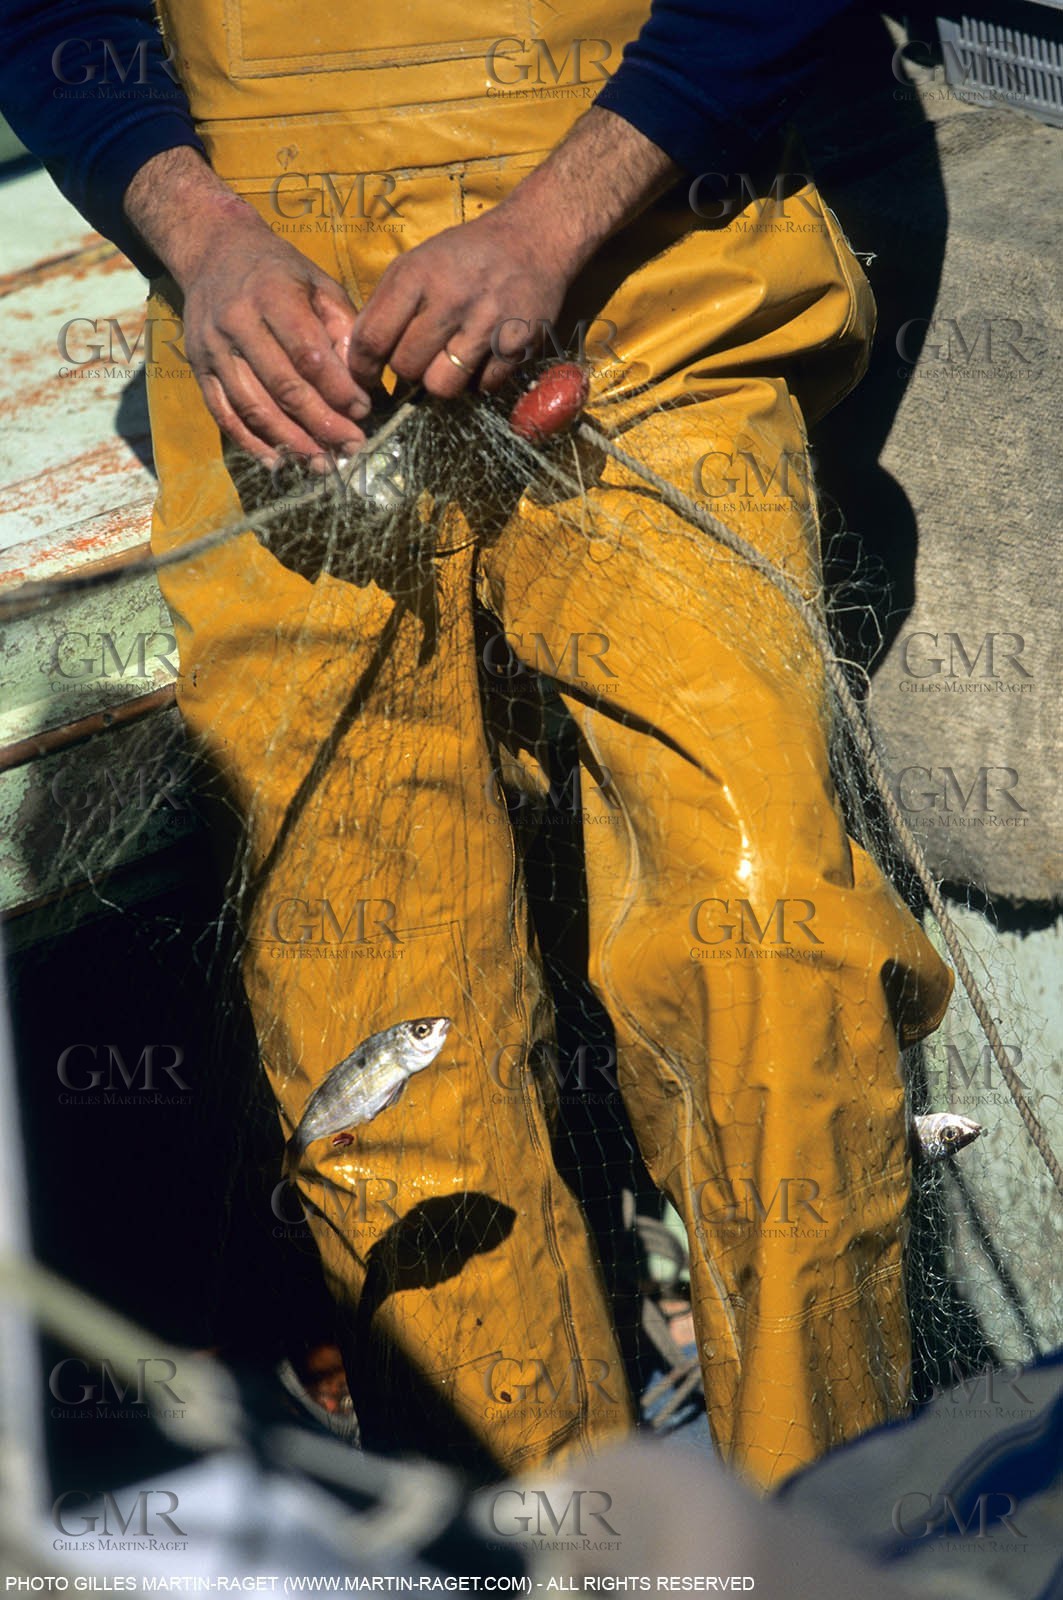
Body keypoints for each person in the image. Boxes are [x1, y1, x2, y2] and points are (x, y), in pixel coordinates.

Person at [1, 0, 953, 1489]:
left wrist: (545, 228)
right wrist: (204, 238)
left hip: (647, 282)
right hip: (279, 360)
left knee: (771, 957)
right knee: (371, 1057)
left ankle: (838, 1533)